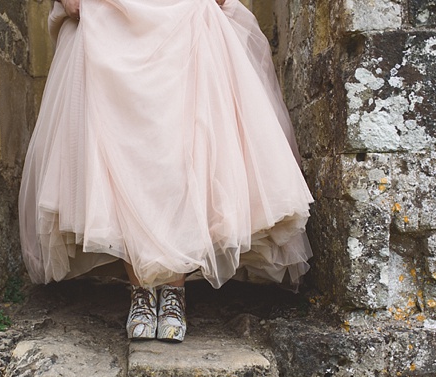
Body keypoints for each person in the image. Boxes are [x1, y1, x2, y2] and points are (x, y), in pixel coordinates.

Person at [18, 0, 314, 342]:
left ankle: (173, 291)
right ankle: (142, 289)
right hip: (109, 14)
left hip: (181, 11)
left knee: (180, 142)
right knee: (122, 144)